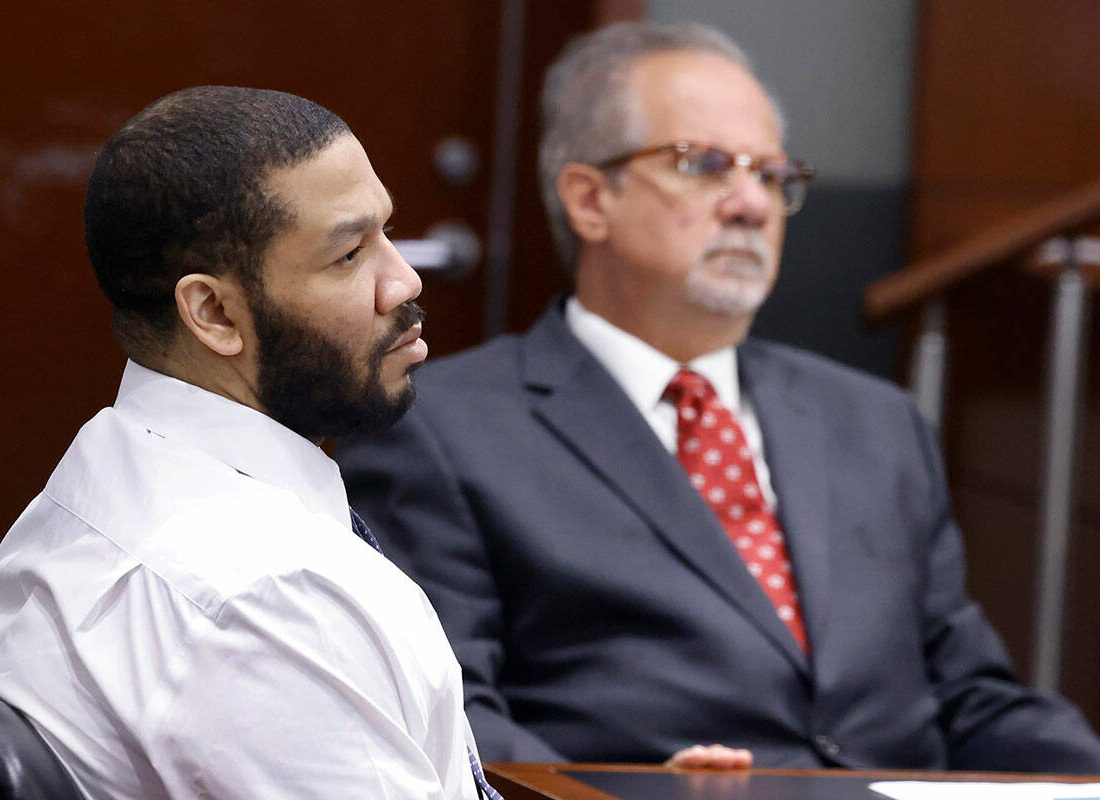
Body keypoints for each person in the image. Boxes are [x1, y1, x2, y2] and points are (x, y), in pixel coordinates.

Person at [337, 22, 1100, 771]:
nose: (751, 205)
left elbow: (970, 694)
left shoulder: (876, 420)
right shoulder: (440, 427)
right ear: (589, 199)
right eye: (705, 165)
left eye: (771, 175)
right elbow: (451, 715)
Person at [0, 86, 507, 799]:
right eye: (349, 254)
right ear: (215, 313)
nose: (402, 278)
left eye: (386, 232)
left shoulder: (107, 467)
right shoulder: (269, 601)